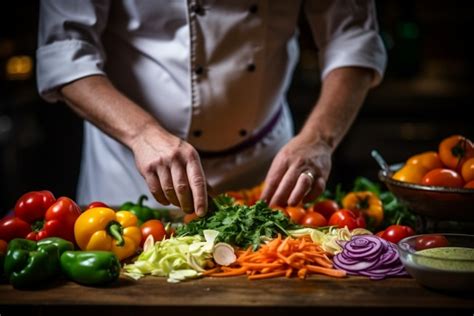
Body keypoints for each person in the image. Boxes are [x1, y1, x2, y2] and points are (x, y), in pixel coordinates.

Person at [37, 1, 386, 217]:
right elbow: (65, 50)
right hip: (131, 170)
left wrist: (319, 139)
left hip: (265, 169)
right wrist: (142, 133)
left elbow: (352, 36)